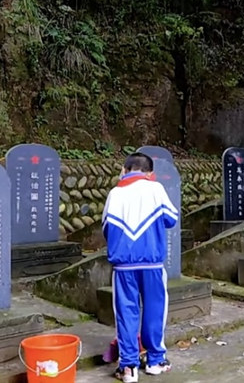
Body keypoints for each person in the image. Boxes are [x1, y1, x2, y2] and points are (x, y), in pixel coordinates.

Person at [102, 152, 178, 382]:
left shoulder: (114, 194)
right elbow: (171, 219)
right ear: (150, 173)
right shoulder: (156, 189)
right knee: (155, 309)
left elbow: (106, 228)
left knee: (126, 313)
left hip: (124, 267)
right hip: (152, 264)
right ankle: (155, 360)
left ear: (124, 170)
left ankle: (129, 368)